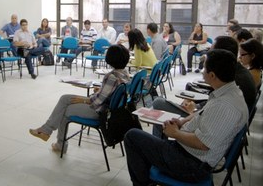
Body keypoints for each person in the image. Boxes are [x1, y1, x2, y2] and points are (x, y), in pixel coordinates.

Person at [124, 49, 248, 186]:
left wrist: (176, 133)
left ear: (212, 75)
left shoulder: (224, 105)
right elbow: (202, 113)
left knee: (132, 137)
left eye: (204, 68)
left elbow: (203, 144)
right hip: (190, 155)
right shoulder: (230, 92)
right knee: (152, 137)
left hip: (191, 165)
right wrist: (182, 122)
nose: (202, 71)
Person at [29, 44, 131, 153]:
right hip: (109, 109)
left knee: (64, 110)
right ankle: (48, 133)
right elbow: (111, 94)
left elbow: (97, 102)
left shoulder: (111, 76)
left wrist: (83, 100)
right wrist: (101, 90)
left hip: (100, 112)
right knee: (65, 99)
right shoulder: (125, 74)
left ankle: (56, 141)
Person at [152, 36, 256, 123]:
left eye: (211, 49)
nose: (209, 51)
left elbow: (214, 108)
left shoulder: (233, 79)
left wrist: (196, 108)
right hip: (207, 114)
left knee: (158, 103)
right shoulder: (237, 72)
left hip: (205, 118)